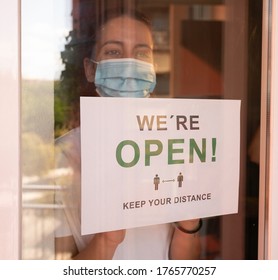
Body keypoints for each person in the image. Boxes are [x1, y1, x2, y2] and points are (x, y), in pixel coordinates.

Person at [55, 7, 202, 260]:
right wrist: (107, 240)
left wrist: (189, 221)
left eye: (142, 53)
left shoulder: (173, 146)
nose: (130, 64)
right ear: (91, 70)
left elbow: (186, 265)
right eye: (113, 51)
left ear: (153, 68)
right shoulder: (64, 155)